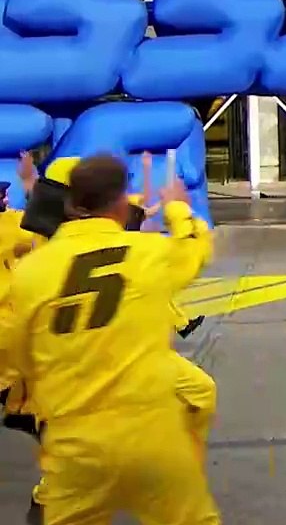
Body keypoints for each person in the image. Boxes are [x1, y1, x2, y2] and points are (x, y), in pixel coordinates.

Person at [0, 155, 221, 524]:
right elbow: (196, 246)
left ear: (68, 203)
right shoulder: (150, 254)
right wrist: (179, 207)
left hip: (76, 441)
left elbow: (19, 351)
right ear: (119, 203)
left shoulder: (33, 271)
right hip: (149, 433)